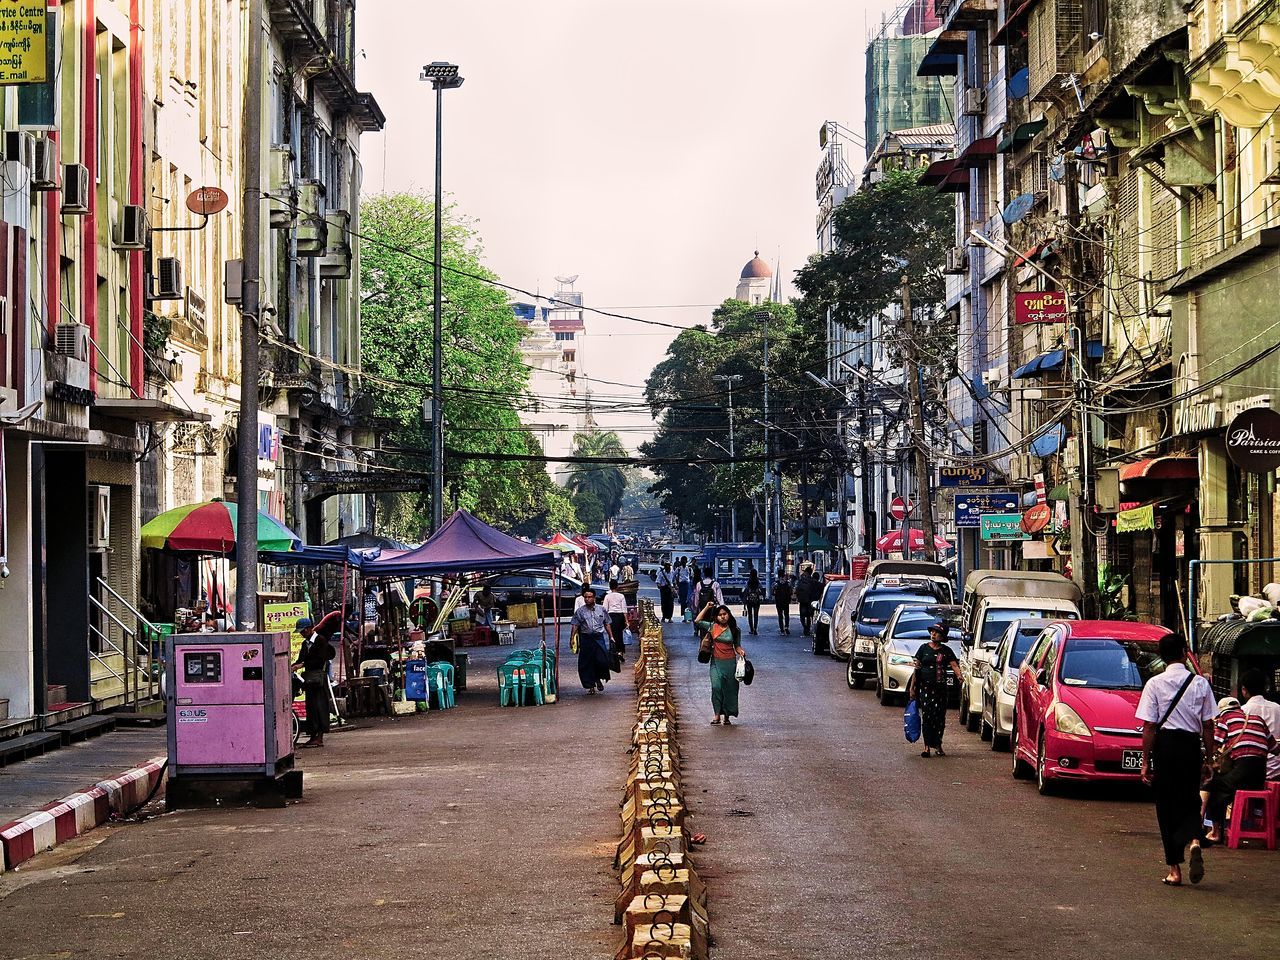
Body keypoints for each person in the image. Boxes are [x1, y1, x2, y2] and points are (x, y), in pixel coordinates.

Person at [1135, 634, 1216, 886]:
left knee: (1166, 806)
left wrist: (1146, 761)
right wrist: (1209, 759)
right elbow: (1208, 726)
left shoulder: (1155, 683)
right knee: (1191, 798)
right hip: (1190, 747)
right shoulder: (1200, 684)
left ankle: (1174, 870)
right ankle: (1194, 840)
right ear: (1184, 652)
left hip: (1165, 747)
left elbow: (1149, 726)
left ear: (1161, 656)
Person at [1203, 674, 1276, 843]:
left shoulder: (1225, 719)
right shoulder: (1257, 719)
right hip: (1260, 775)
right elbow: (1276, 749)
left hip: (1243, 772)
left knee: (1213, 786)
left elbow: (1215, 745)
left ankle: (1214, 832)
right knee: (1225, 785)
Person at [906, 621, 963, 757]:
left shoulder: (946, 651)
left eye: (936, 632)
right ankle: (927, 747)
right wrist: (912, 687)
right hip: (925, 689)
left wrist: (960, 676)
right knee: (927, 717)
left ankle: (938, 744)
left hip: (941, 690)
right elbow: (917, 669)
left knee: (939, 718)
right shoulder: (923, 649)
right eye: (932, 632)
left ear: (942, 636)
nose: (933, 634)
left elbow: (954, 665)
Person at [696, 601, 746, 725]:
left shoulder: (735, 630)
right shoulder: (712, 627)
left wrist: (741, 652)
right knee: (716, 687)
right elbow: (697, 621)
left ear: (728, 615)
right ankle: (717, 714)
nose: (723, 616)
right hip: (716, 663)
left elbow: (737, 646)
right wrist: (707, 607)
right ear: (716, 617)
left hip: (730, 664)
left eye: (725, 614)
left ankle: (727, 716)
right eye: (720, 615)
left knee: (729, 690)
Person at [293, 613, 337, 748]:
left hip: (318, 678)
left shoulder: (320, 641)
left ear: (309, 629)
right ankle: (313, 735)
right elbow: (301, 659)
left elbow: (319, 659)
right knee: (311, 707)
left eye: (303, 631)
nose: (302, 634)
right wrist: (294, 665)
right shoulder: (305, 644)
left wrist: (303, 664)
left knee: (320, 706)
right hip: (309, 679)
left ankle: (319, 736)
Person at [569, 587, 614, 694]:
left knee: (601, 660)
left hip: (599, 638)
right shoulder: (580, 611)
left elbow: (607, 623)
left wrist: (611, 636)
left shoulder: (601, 609)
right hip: (586, 639)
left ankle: (598, 679)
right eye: (585, 597)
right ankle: (590, 686)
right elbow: (575, 625)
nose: (587, 599)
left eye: (589, 597)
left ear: (594, 598)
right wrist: (572, 639)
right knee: (586, 663)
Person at [602, 579, 630, 661]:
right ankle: (620, 652)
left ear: (610, 587)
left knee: (612, 635)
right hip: (620, 616)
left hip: (611, 616)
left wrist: (604, 620)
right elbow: (624, 609)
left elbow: (604, 609)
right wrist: (626, 620)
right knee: (620, 635)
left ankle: (613, 652)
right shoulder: (621, 596)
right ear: (617, 586)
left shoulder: (607, 596)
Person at [795, 563, 819, 636]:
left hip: (802, 600)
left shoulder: (801, 579)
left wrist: (797, 597)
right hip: (809, 600)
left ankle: (805, 627)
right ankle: (807, 628)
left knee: (802, 615)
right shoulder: (811, 581)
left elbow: (797, 589)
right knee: (808, 616)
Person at [743, 568, 764, 636]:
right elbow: (761, 589)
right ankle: (755, 629)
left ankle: (751, 629)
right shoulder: (758, 582)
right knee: (756, 615)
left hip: (749, 600)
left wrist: (744, 601)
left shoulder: (748, 582)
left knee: (750, 615)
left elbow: (744, 591)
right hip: (756, 600)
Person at [773, 569, 794, 635]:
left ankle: (782, 629)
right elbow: (791, 592)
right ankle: (786, 627)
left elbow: (773, 592)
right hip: (786, 601)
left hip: (778, 601)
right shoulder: (787, 583)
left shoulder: (776, 583)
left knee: (780, 615)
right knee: (786, 614)